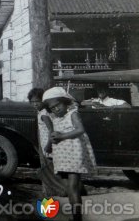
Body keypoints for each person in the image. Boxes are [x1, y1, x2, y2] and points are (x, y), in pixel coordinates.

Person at [43, 87, 96, 221]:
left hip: (74, 153)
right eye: (52, 107)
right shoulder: (55, 118)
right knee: (69, 187)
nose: (56, 109)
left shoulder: (72, 113)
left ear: (65, 102)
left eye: (58, 105)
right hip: (62, 155)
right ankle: (75, 215)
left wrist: (62, 136)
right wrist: (52, 141)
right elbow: (55, 134)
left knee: (72, 187)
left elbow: (80, 130)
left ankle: (77, 218)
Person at [27, 88, 54, 158]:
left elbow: (51, 129)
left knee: (51, 162)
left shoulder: (43, 114)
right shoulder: (42, 112)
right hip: (47, 142)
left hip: (49, 143)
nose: (35, 104)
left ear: (43, 101)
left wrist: (49, 145)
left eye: (38, 101)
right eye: (32, 102)